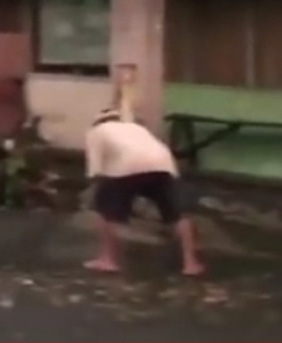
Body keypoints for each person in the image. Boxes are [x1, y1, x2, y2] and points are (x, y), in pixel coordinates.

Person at [83, 108, 204, 276]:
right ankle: (191, 263)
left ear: (97, 121)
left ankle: (107, 259)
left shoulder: (96, 131)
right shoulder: (137, 128)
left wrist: (99, 192)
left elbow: (94, 169)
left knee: (105, 211)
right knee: (177, 215)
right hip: (164, 165)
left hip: (126, 166)